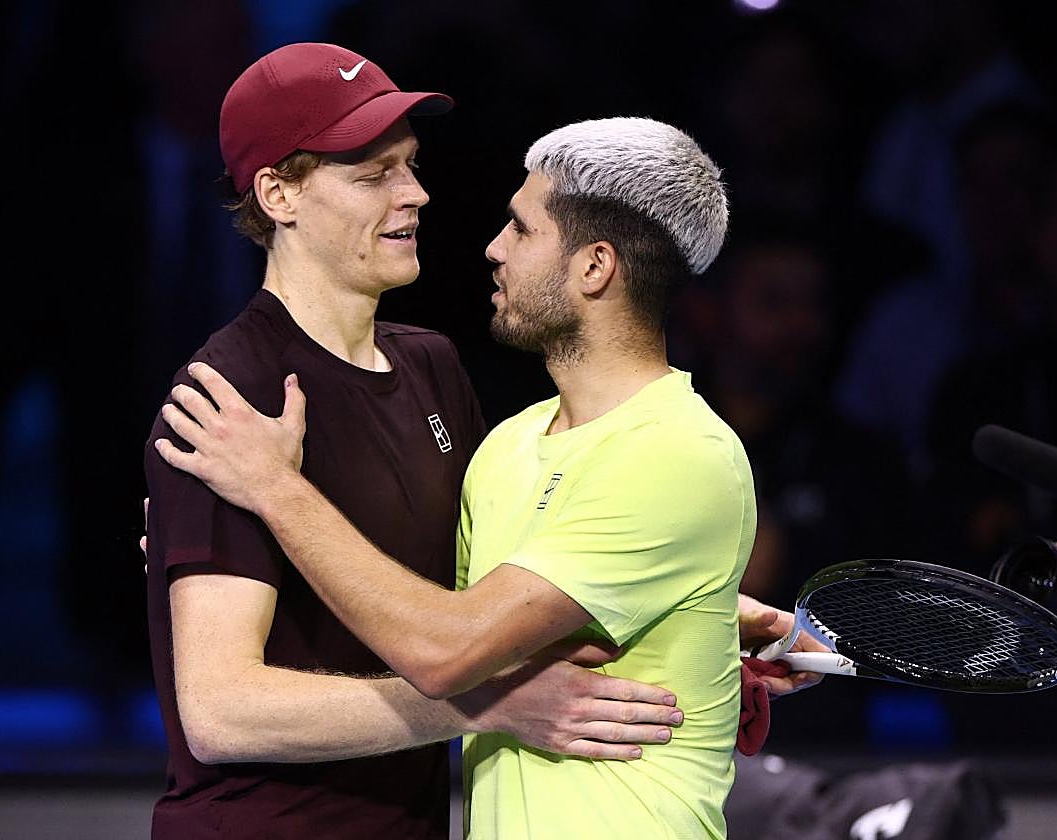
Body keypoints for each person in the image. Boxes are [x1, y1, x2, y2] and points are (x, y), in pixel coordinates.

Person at [156, 116, 822, 838]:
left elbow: (449, 650)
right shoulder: (508, 445)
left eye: (521, 229)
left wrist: (275, 490)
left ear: (594, 267)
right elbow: (490, 615)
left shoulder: (679, 451)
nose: (492, 248)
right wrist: (710, 611)